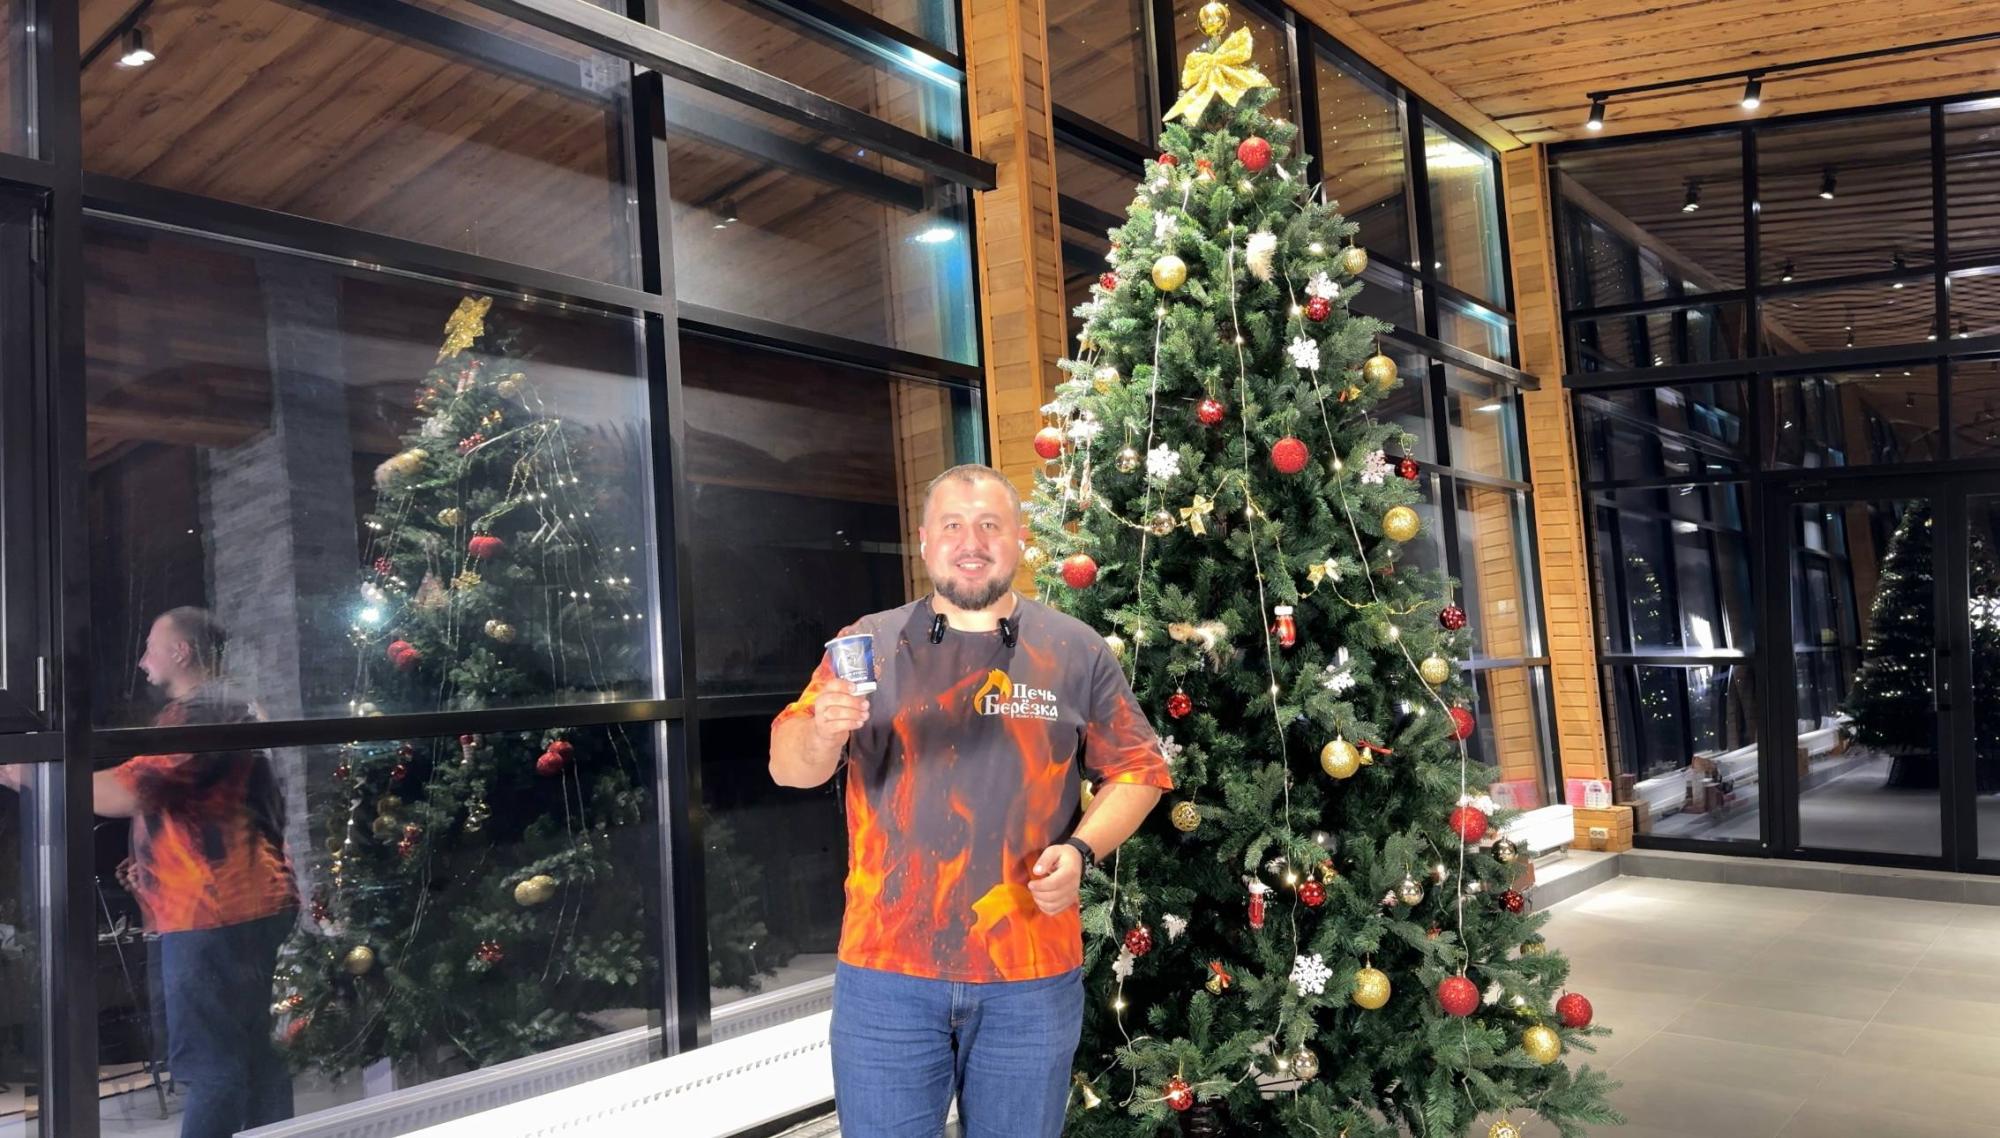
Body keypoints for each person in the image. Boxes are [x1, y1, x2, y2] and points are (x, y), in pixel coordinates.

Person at [770, 464, 1172, 1138]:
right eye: (952, 525)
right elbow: (790, 769)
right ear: (925, 540)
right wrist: (822, 730)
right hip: (886, 972)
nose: (971, 542)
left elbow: (1139, 770)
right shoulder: (869, 643)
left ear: (1019, 539)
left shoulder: (1074, 650)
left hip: (1029, 971)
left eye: (990, 525)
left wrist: (1081, 849)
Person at [2, 607, 296, 1138]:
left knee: (209, 1064)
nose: (141, 662)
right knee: (250, 1052)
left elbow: (131, 789)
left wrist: (31, 774)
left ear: (181, 652)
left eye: (150, 648)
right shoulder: (240, 705)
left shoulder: (204, 713)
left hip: (213, 910)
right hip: (243, 900)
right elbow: (217, 807)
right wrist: (151, 860)